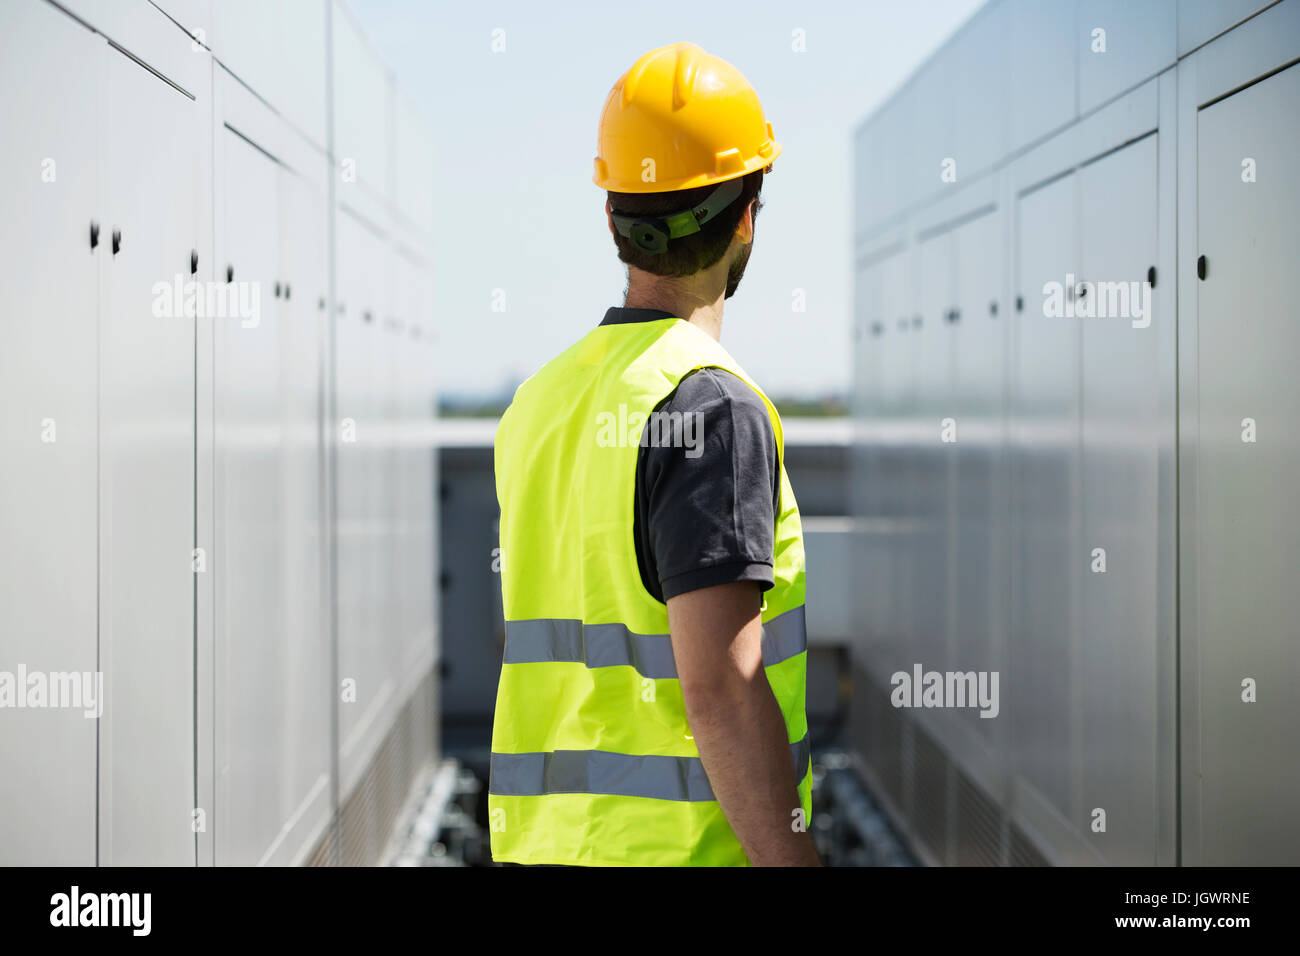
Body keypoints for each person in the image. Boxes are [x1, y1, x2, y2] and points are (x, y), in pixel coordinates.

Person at [489, 42, 820, 867]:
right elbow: (722, 692)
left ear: (612, 219)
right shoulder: (712, 407)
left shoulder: (541, 399)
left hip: (548, 851)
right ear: (747, 214)